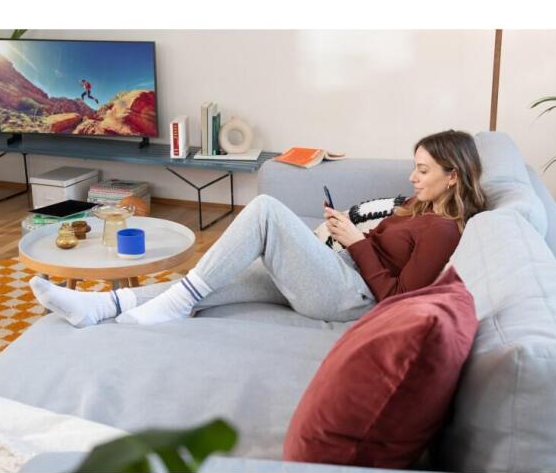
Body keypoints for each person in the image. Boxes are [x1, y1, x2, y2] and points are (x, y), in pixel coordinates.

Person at [29, 129, 487, 329]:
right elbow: (384, 250)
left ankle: (177, 303)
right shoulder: (418, 207)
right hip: (338, 270)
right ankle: (100, 306)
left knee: (265, 209)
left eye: (423, 170)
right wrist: (350, 233)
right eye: (414, 167)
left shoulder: (445, 230)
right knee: (218, 276)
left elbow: (397, 299)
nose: (412, 177)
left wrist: (356, 243)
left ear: (453, 176)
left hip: (350, 297)